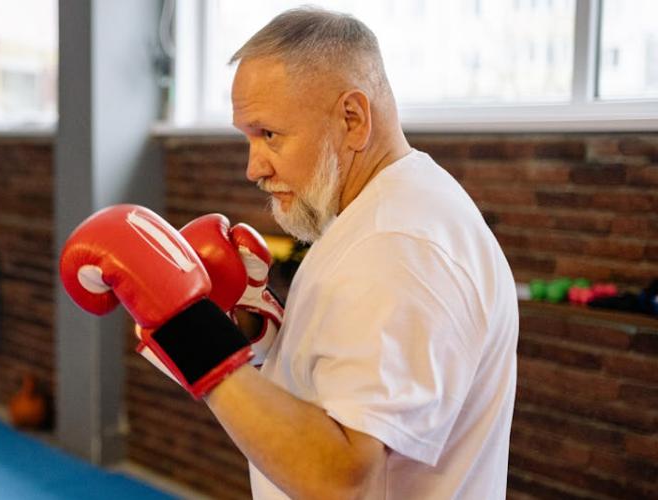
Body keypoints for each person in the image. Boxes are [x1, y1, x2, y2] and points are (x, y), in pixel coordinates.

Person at [60, 6, 518, 499]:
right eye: (248, 137)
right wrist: (253, 336)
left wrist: (189, 331)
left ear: (353, 118)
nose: (253, 168)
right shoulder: (385, 211)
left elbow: (340, 477)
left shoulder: (396, 248)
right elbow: (337, 396)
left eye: (269, 135)